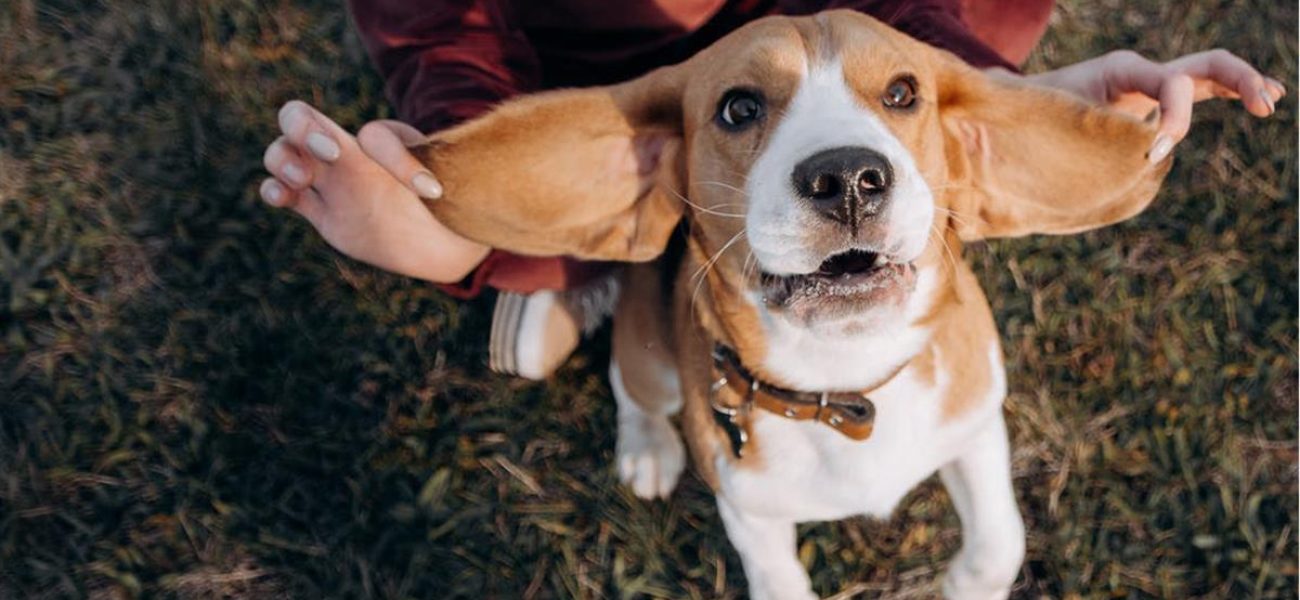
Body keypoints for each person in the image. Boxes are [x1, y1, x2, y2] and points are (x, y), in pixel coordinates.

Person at [259, 0, 1284, 379]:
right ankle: (581, 275)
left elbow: (913, 33)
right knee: (650, 214)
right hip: (609, 99)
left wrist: (1002, 101)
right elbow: (447, 42)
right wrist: (450, 233)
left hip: (852, 38)